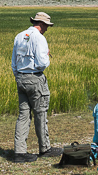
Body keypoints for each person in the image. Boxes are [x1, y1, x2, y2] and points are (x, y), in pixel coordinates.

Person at [11, 11, 62, 162]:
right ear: (41, 24)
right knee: (40, 113)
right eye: (46, 26)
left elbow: (14, 62)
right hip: (35, 77)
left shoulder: (19, 36)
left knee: (23, 115)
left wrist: (19, 76)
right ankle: (44, 148)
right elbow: (41, 63)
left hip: (20, 77)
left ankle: (19, 152)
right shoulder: (39, 38)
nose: (47, 29)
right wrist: (47, 55)